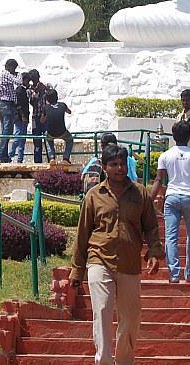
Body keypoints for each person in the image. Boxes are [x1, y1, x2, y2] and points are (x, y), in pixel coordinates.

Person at [70, 145, 163, 365]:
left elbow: (151, 226)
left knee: (130, 319)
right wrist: (77, 270)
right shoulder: (94, 196)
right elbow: (83, 233)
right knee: (102, 312)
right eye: (113, 164)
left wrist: (154, 252)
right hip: (99, 259)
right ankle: (102, 360)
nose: (119, 168)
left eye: (122, 163)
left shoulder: (140, 193)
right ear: (104, 167)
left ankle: (123, 361)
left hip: (130, 264)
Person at [151, 121, 190, 284]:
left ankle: (174, 274)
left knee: (171, 237)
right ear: (189, 136)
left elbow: (159, 179)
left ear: (173, 136)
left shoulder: (165, 155)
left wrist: (149, 201)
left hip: (172, 197)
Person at [0, 58, 20, 162]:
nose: (15, 70)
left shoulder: (2, 75)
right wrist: (19, 74)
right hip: (6, 104)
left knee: (6, 130)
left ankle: (4, 156)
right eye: (14, 68)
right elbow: (18, 82)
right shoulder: (6, 74)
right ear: (9, 67)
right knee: (7, 131)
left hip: (3, 104)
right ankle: (1, 155)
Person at [26, 69, 54, 163]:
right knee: (36, 140)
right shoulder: (30, 90)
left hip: (46, 116)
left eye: (36, 78)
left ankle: (51, 159)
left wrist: (45, 89)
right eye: (33, 79)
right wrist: (37, 91)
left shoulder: (45, 86)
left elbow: (52, 96)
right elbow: (32, 102)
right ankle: (38, 161)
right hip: (35, 117)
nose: (35, 80)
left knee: (48, 139)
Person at [44, 88, 73, 163]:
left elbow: (42, 120)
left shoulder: (46, 107)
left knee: (47, 139)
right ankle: (65, 158)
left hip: (51, 132)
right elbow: (69, 112)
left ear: (47, 99)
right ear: (57, 97)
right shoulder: (62, 105)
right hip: (62, 132)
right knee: (69, 140)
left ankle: (52, 158)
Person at [7, 73, 31, 163]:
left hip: (24, 117)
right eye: (27, 81)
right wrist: (23, 116)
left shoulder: (24, 90)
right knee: (18, 137)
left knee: (22, 139)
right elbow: (18, 105)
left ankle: (20, 159)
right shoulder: (19, 90)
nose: (28, 83)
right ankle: (10, 154)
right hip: (19, 117)